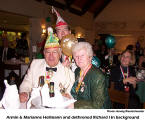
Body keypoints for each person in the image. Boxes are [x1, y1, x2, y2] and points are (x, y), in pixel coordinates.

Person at [19, 28, 75, 103]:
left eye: (54, 52)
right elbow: (26, 83)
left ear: (60, 54)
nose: (51, 56)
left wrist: (67, 96)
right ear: (44, 53)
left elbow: (69, 92)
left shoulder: (67, 72)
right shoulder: (35, 64)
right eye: (48, 52)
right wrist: (24, 92)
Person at [70, 42, 111, 109]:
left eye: (82, 55)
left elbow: (97, 104)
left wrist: (74, 105)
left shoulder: (97, 76)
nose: (79, 59)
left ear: (90, 57)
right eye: (76, 56)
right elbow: (76, 92)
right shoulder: (77, 71)